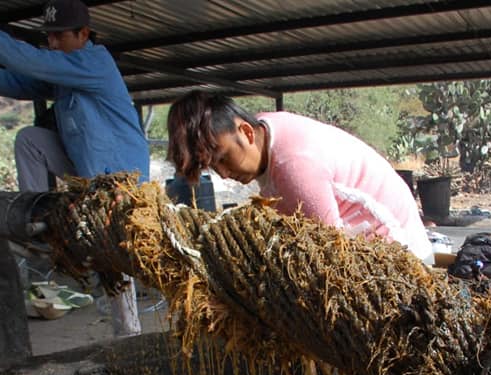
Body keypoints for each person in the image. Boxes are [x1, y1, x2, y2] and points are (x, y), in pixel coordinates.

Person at [0, 0, 150, 337]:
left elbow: (34, 62)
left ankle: (130, 336)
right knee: (30, 140)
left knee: (113, 261)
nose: (52, 44)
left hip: (120, 181)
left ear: (84, 34)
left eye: (59, 37)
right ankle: (36, 214)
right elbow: (25, 82)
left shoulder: (94, 61)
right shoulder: (64, 74)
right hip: (86, 172)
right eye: (48, 37)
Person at [166, 91, 435, 264]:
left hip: (402, 254)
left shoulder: (294, 164)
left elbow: (330, 255)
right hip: (367, 242)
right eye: (213, 166)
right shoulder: (264, 128)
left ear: (246, 132)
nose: (224, 173)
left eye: (223, 158)